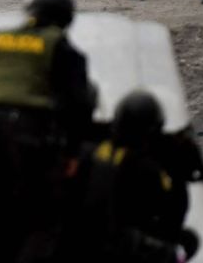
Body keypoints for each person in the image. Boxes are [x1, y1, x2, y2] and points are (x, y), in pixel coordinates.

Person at [0, 0, 93, 262]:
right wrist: (72, 154)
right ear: (66, 17)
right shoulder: (60, 45)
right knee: (43, 217)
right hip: (28, 134)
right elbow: (78, 105)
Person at [66, 91, 196, 262]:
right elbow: (171, 220)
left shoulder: (89, 152)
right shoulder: (145, 170)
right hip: (114, 247)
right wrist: (179, 176)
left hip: (77, 243)